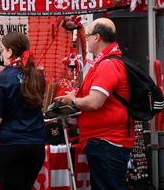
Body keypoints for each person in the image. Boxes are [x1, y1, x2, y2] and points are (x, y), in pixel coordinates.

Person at [55, 18, 134, 190]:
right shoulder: (105, 62)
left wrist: (73, 100)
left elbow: (94, 102)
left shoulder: (108, 65)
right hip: (105, 141)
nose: (87, 40)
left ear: (97, 37)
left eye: (89, 36)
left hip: (107, 142)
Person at [0, 32, 45, 190]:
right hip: (36, 147)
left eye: (3, 49)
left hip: (10, 147)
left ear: (10, 52)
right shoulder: (38, 76)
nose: (1, 53)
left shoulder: (1, 79)